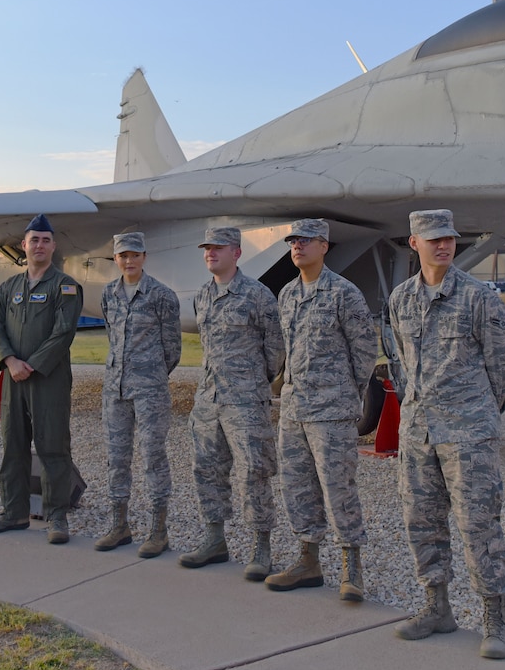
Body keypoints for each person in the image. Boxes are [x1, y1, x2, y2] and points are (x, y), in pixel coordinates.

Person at [390, 209, 505, 659]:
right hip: (419, 432)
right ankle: (437, 607)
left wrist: (479, 416)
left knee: (478, 525)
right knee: (421, 522)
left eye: (449, 238)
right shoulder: (401, 298)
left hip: (468, 435)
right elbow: (401, 362)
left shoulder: (479, 298)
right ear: (414, 243)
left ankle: (496, 620)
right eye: (434, 239)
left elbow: (503, 368)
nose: (444, 245)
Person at [265, 219, 376, 601]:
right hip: (295, 409)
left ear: (325, 246)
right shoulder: (287, 294)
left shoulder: (344, 294)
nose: (298, 246)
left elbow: (364, 353)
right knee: (297, 486)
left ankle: (352, 569)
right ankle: (308, 561)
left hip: (332, 410)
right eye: (294, 240)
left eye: (306, 240)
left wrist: (347, 395)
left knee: (338, 489)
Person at [180, 227, 283, 580]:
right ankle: (214, 539)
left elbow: (275, 350)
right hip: (209, 399)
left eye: (218, 248)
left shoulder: (258, 295)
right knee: (206, 469)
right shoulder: (202, 296)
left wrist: (254, 382)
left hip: (245, 401)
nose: (210, 253)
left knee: (254, 471)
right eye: (207, 248)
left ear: (236, 253)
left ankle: (261, 546)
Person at [0, 214, 83, 545]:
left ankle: (56, 515)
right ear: (23, 246)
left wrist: (33, 365)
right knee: (13, 446)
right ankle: (14, 513)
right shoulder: (9, 287)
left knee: (53, 447)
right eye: (33, 240)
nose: (39, 245)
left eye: (45, 240)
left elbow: (63, 332)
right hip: (13, 377)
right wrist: (10, 361)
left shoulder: (65, 287)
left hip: (48, 379)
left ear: (54, 246)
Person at [94, 232, 180, 557]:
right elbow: (112, 337)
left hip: (150, 390)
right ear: (115, 259)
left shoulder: (162, 295)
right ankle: (120, 526)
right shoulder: (109, 294)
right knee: (116, 458)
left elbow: (172, 350)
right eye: (122, 256)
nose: (128, 261)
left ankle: (159, 530)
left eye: (134, 255)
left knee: (153, 458)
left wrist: (151, 375)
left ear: (144, 256)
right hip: (115, 389)